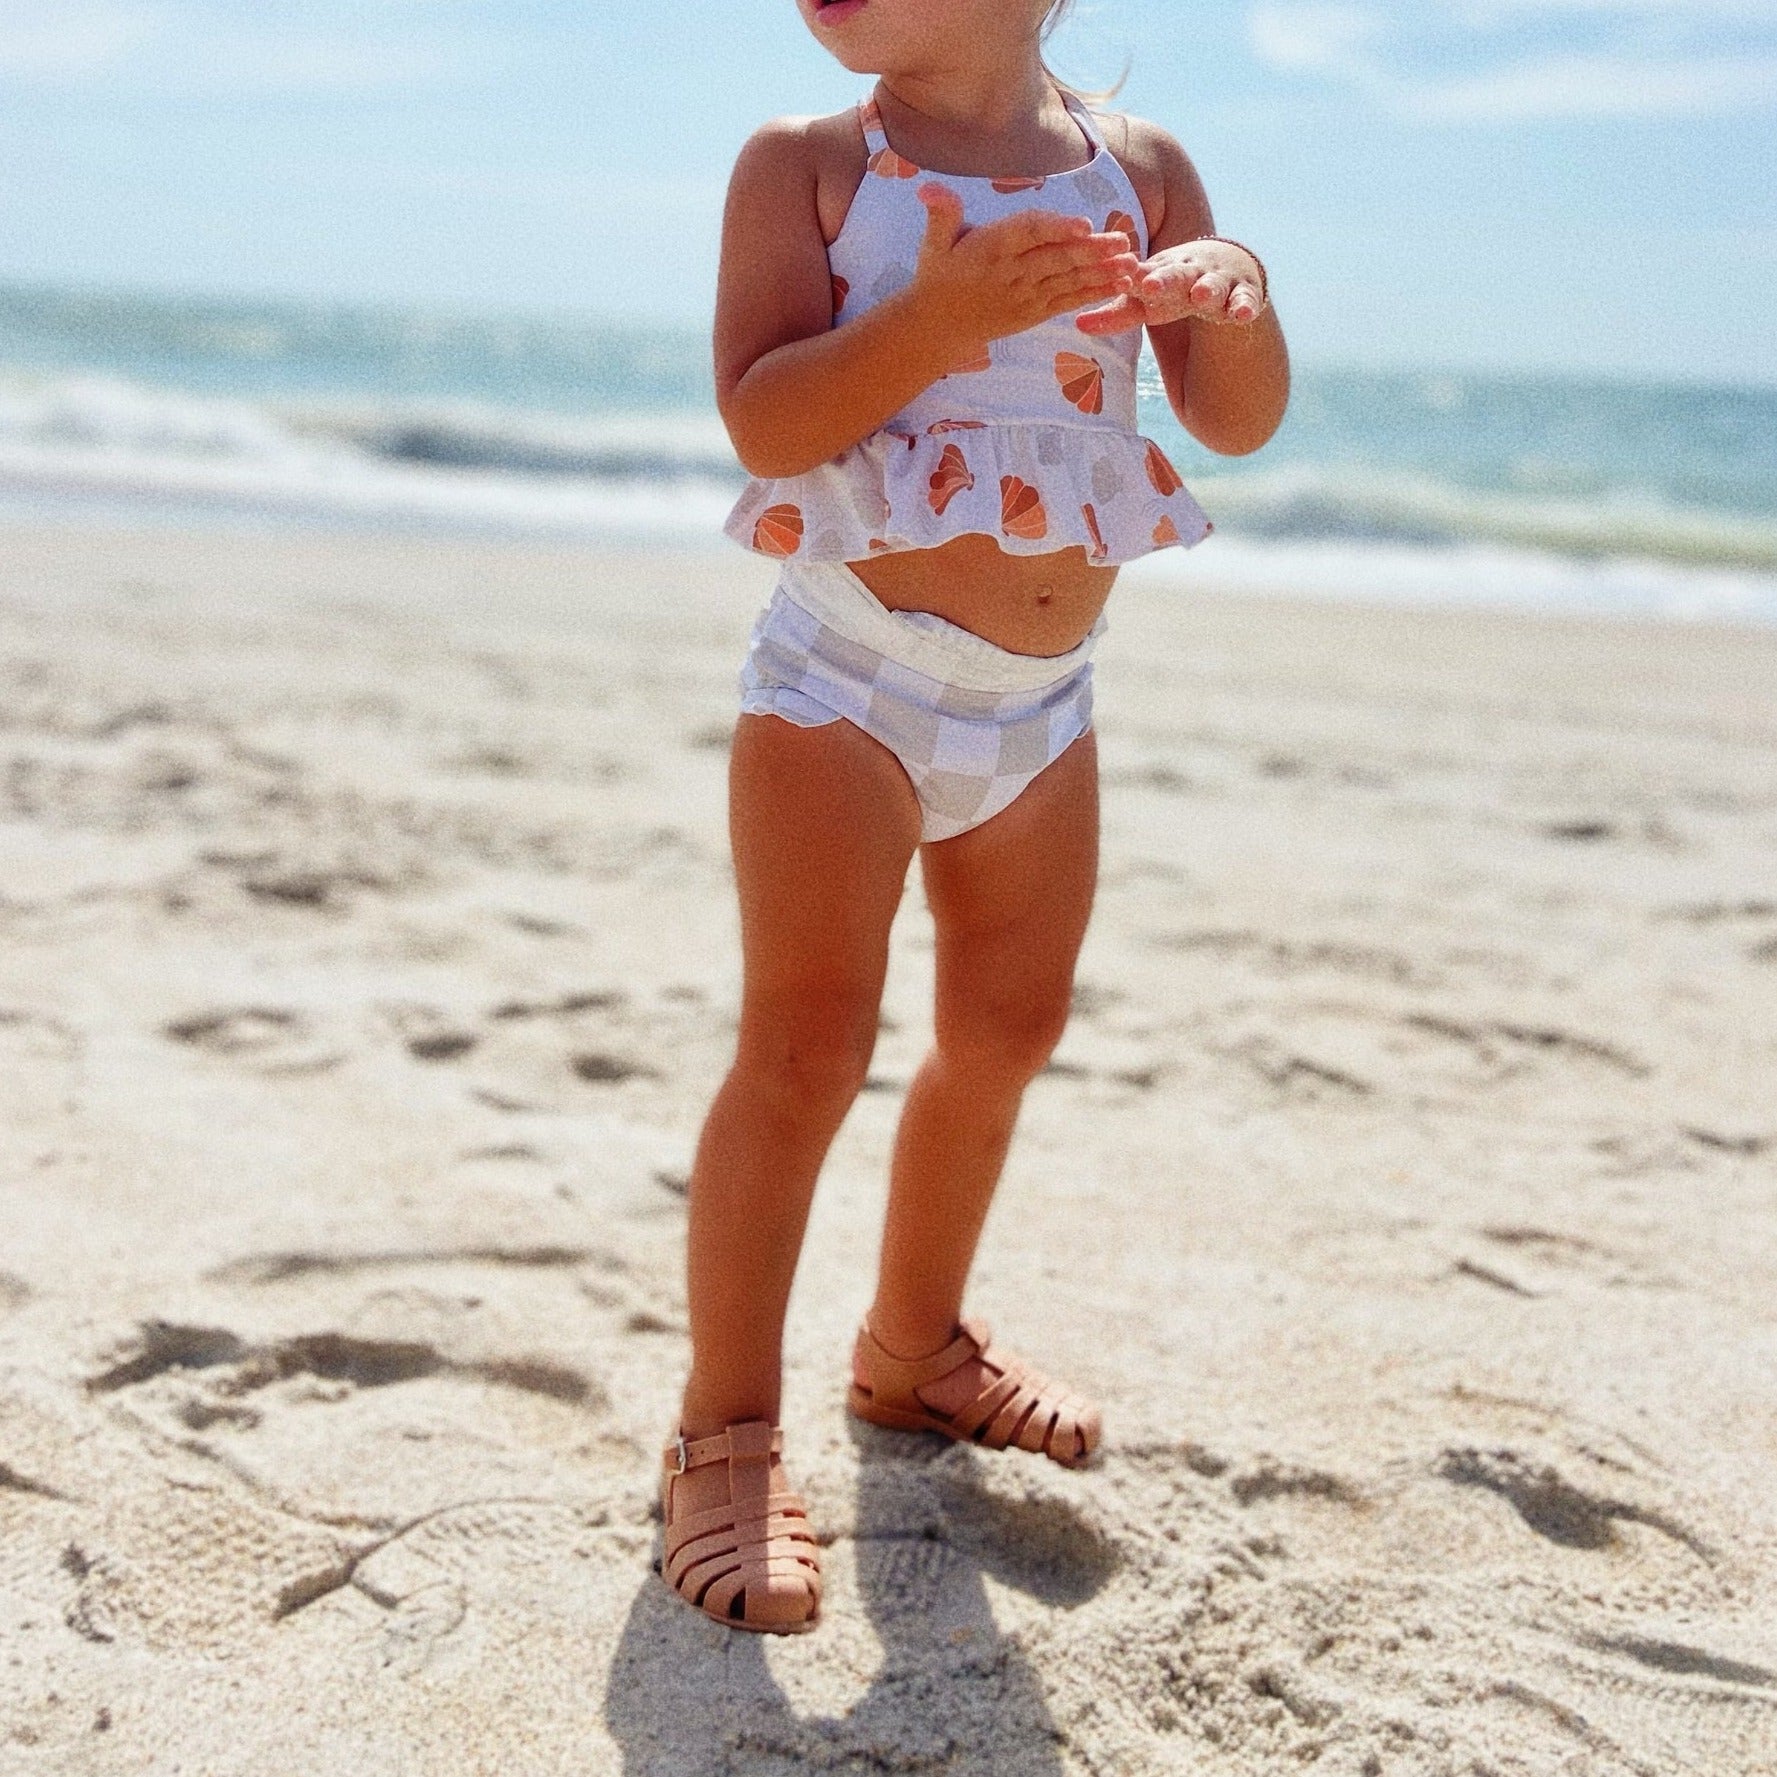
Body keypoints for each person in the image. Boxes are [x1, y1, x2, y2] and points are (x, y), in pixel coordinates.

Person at [659, 0, 1290, 1634]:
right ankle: (722, 1434)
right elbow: (764, 420)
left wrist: (1237, 301)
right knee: (802, 1047)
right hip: (843, 683)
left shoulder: (1137, 172)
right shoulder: (809, 169)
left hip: (1040, 705)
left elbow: (1230, 420)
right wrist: (931, 318)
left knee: (1005, 1031)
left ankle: (912, 1348)